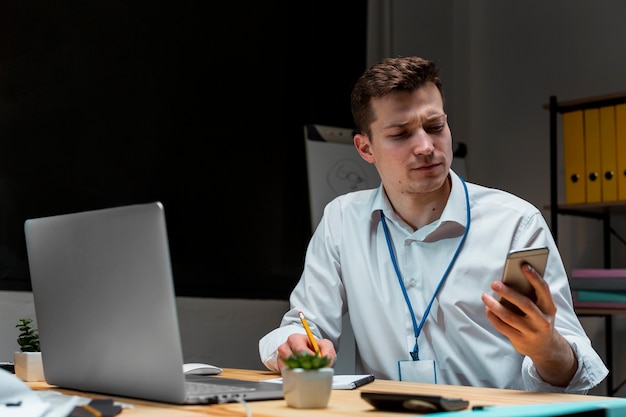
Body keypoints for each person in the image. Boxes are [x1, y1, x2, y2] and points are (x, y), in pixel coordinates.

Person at [259, 56, 608, 393]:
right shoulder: (342, 221)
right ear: (366, 148)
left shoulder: (516, 223)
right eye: (400, 134)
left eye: (435, 126)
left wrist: (547, 348)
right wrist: (293, 346)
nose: (426, 146)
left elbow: (574, 374)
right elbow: (303, 324)